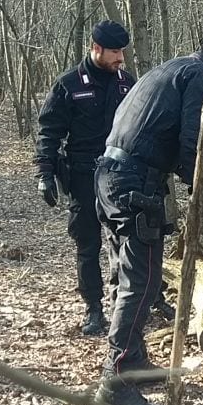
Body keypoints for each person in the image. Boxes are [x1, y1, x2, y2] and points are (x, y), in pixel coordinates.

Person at [92, 33, 203, 405]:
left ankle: (135, 361)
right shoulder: (196, 77)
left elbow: (156, 136)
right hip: (136, 186)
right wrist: (199, 180)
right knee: (141, 284)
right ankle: (117, 380)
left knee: (124, 277)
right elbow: (192, 141)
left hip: (110, 175)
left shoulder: (170, 69)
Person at [34, 20, 136, 337]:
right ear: (96, 48)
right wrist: (45, 174)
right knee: (87, 243)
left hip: (120, 177)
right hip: (83, 175)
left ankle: (132, 303)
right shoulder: (69, 84)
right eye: (115, 51)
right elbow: (49, 132)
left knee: (130, 240)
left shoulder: (126, 84)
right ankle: (93, 308)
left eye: (123, 51)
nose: (121, 58)